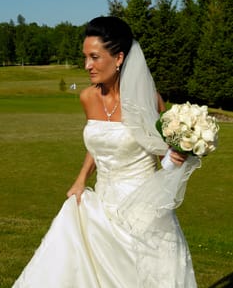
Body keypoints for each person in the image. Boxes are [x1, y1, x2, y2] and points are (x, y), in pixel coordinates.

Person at [13, 16, 200, 288]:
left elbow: (164, 158)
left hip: (143, 214)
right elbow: (98, 146)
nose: (87, 65)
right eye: (85, 57)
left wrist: (179, 155)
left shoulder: (148, 100)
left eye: (95, 57)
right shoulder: (87, 97)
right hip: (101, 205)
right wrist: (80, 180)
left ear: (119, 58)